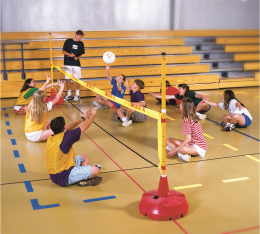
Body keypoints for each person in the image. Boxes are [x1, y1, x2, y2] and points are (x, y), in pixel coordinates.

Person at [46, 107, 102, 187]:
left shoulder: (52, 137)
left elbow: (68, 128)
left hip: (55, 174)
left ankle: (81, 177)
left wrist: (83, 118)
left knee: (84, 157)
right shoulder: (66, 137)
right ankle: (81, 178)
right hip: (62, 177)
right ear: (64, 127)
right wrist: (93, 115)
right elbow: (85, 127)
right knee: (95, 170)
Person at [166, 97, 207, 162]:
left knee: (181, 149)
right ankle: (182, 154)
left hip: (199, 147)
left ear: (184, 107)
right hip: (191, 143)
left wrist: (175, 150)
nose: (179, 104)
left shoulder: (187, 120)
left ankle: (180, 153)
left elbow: (188, 138)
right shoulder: (192, 114)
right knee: (168, 140)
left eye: (181, 104)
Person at [62, 30, 85, 102]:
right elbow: (63, 51)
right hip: (68, 63)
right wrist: (70, 55)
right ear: (76, 34)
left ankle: (77, 94)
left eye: (81, 37)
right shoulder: (68, 41)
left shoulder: (81, 44)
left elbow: (81, 53)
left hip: (76, 64)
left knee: (77, 79)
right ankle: (69, 94)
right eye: (79, 36)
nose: (80, 38)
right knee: (67, 79)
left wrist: (77, 57)